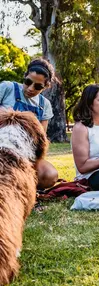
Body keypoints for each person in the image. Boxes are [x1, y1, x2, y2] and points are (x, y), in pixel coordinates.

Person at [0, 57, 58, 189]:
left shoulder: (45, 105)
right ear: (25, 76)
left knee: (49, 175)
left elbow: (39, 139)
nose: (31, 88)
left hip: (26, 153)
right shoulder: (7, 88)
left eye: (38, 86)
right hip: (2, 145)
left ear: (46, 86)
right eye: (28, 82)